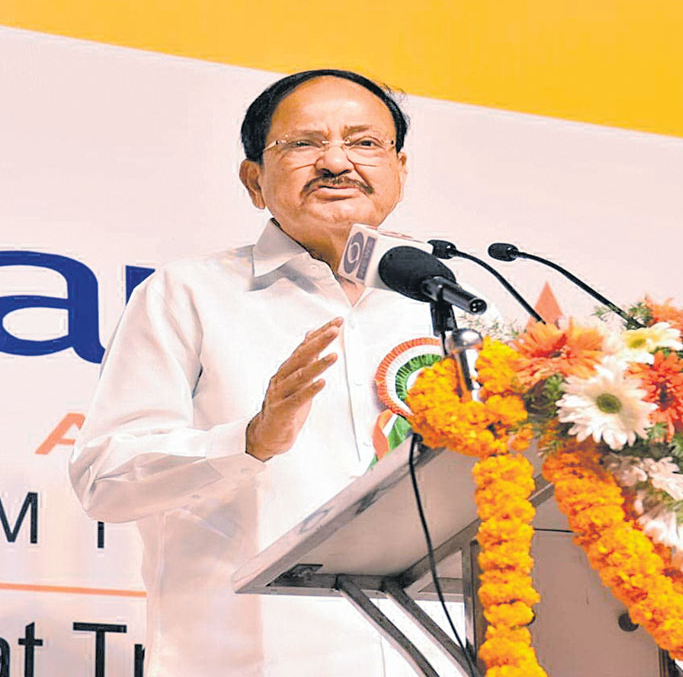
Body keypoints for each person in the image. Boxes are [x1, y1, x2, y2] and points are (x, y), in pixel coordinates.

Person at [69, 69, 439, 676]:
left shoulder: (448, 306)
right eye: (305, 143)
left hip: (437, 656)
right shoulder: (189, 293)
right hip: (252, 659)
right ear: (254, 180)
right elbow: (104, 479)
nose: (337, 162)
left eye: (365, 143)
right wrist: (249, 441)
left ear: (400, 169)